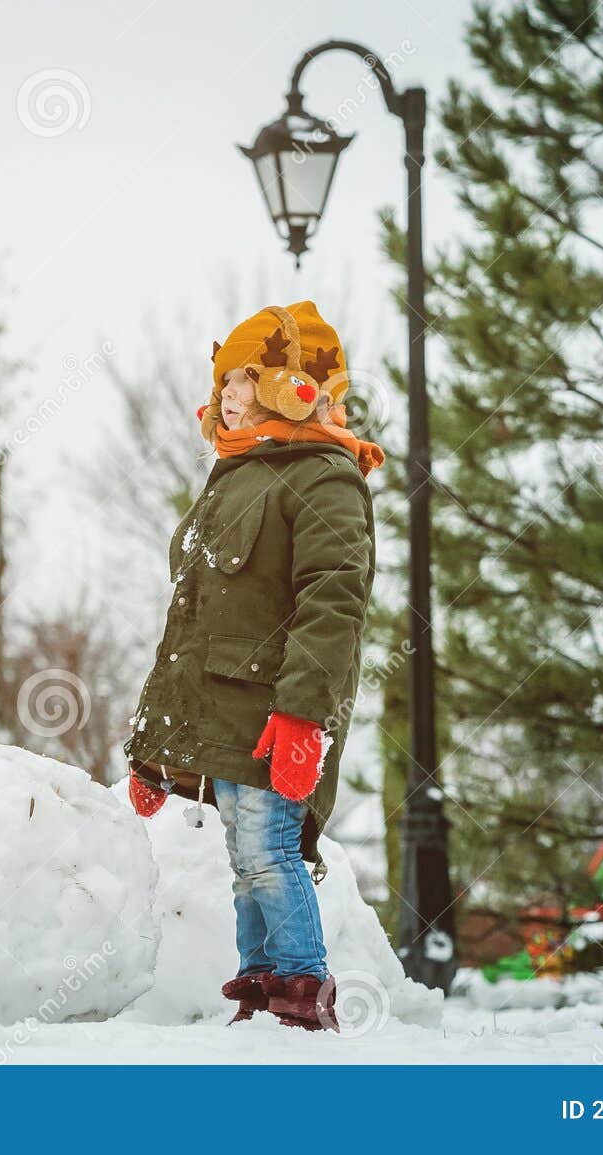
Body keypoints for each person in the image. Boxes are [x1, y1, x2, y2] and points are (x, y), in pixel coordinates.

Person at [123, 301, 382, 1031]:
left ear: (289, 385)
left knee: (269, 850)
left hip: (275, 714)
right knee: (245, 859)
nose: (227, 391)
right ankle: (260, 984)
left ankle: (303, 991)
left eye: (244, 375)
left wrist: (303, 714)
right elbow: (192, 626)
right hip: (223, 715)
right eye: (224, 379)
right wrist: (156, 748)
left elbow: (332, 604)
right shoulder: (234, 475)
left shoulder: (325, 478)